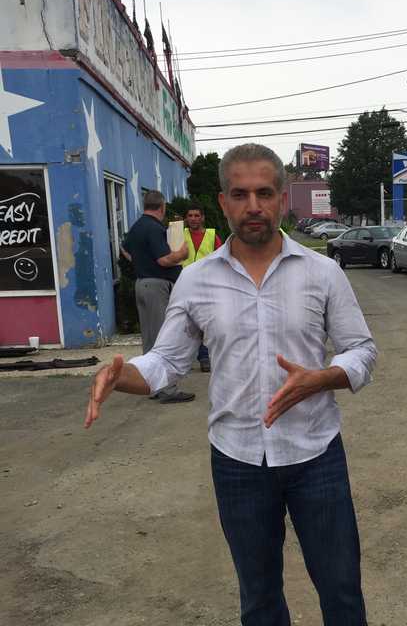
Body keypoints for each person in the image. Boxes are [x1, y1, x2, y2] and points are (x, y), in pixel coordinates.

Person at [86, 143, 376, 626]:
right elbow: (167, 363)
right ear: (223, 202)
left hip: (316, 456)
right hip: (238, 461)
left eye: (264, 193)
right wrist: (120, 377)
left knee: (342, 592)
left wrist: (325, 377)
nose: (253, 206)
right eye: (240, 194)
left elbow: (362, 350)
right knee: (259, 599)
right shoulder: (196, 280)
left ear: (283, 198)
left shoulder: (322, 272)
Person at [121, 190, 195, 404]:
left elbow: (125, 250)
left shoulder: (136, 227)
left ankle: (151, 385)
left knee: (151, 337)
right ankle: (167, 390)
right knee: (164, 339)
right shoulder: (154, 228)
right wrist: (182, 254)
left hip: (142, 283)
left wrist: (140, 261)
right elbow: (164, 260)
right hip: (156, 286)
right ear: (161, 207)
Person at [182, 203, 222, 372]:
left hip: (207, 285)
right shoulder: (178, 235)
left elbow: (222, 260)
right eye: (190, 216)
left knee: (205, 322)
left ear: (203, 217)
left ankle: (205, 357)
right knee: (184, 324)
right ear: (186, 218)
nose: (193, 219)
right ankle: (185, 358)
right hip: (183, 284)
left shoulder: (212, 236)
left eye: (196, 215)